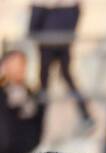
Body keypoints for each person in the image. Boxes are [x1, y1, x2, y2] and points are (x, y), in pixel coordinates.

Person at [28, 2, 93, 133]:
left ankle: (38, 122)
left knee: (47, 82)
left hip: (52, 43)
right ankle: (85, 115)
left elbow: (33, 27)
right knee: (52, 81)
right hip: (56, 42)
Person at [0, 51, 45, 153]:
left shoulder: (31, 95)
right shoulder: (3, 92)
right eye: (15, 65)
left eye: (22, 65)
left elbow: (38, 123)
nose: (20, 69)